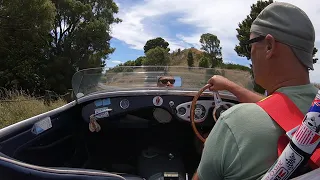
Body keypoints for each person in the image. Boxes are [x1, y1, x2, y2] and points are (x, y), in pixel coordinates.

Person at [193, 2, 318, 180]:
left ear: (269, 46)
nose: (250, 54)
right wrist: (230, 86)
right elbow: (277, 108)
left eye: (250, 43)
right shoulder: (315, 111)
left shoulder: (234, 123)